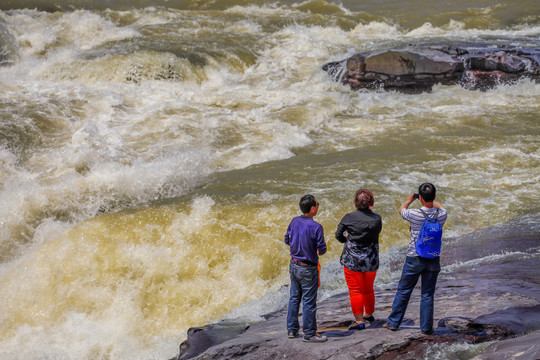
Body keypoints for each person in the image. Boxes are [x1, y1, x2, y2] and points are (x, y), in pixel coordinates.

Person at [384, 182, 447, 335]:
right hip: (433, 258)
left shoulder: (414, 214)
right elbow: (441, 207)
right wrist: (432, 200)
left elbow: (401, 210)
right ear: (435, 196)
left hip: (414, 257)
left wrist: (409, 200)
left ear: (420, 199)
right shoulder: (441, 215)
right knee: (427, 294)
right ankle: (426, 328)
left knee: (404, 290)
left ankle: (393, 323)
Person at [335, 189, 382, 330]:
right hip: (371, 259)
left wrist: (348, 239)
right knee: (368, 289)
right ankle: (368, 314)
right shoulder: (377, 218)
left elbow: (338, 235)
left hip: (352, 260)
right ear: (371, 203)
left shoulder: (349, 217)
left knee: (355, 290)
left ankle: (359, 321)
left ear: (356, 202)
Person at [285, 194, 328, 343]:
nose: (318, 206)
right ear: (312, 209)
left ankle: (292, 330)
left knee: (294, 297)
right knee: (309, 301)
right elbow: (322, 249)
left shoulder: (294, 221)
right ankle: (309, 333)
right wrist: (315, 251)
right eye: (317, 204)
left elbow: (287, 239)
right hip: (308, 268)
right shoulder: (316, 227)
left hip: (294, 264)